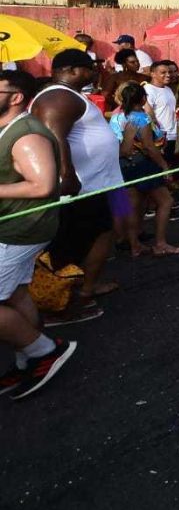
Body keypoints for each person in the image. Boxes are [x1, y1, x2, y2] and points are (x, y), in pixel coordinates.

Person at [0, 70, 77, 400]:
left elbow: (44, 184)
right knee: (16, 293)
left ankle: (44, 350)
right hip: (14, 226)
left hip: (21, 228)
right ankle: (27, 360)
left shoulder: (27, 135)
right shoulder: (9, 129)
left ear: (15, 96)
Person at [29, 49, 122, 321]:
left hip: (102, 183)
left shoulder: (72, 95)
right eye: (89, 68)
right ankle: (55, 304)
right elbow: (53, 137)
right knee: (70, 245)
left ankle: (88, 287)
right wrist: (67, 176)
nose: (95, 72)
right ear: (71, 70)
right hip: (81, 188)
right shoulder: (58, 97)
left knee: (104, 232)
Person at [109, 84, 179, 257]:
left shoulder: (116, 116)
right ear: (142, 99)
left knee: (133, 206)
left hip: (121, 164)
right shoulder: (140, 118)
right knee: (165, 201)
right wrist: (164, 167)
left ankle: (134, 245)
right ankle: (160, 243)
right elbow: (149, 147)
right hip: (141, 163)